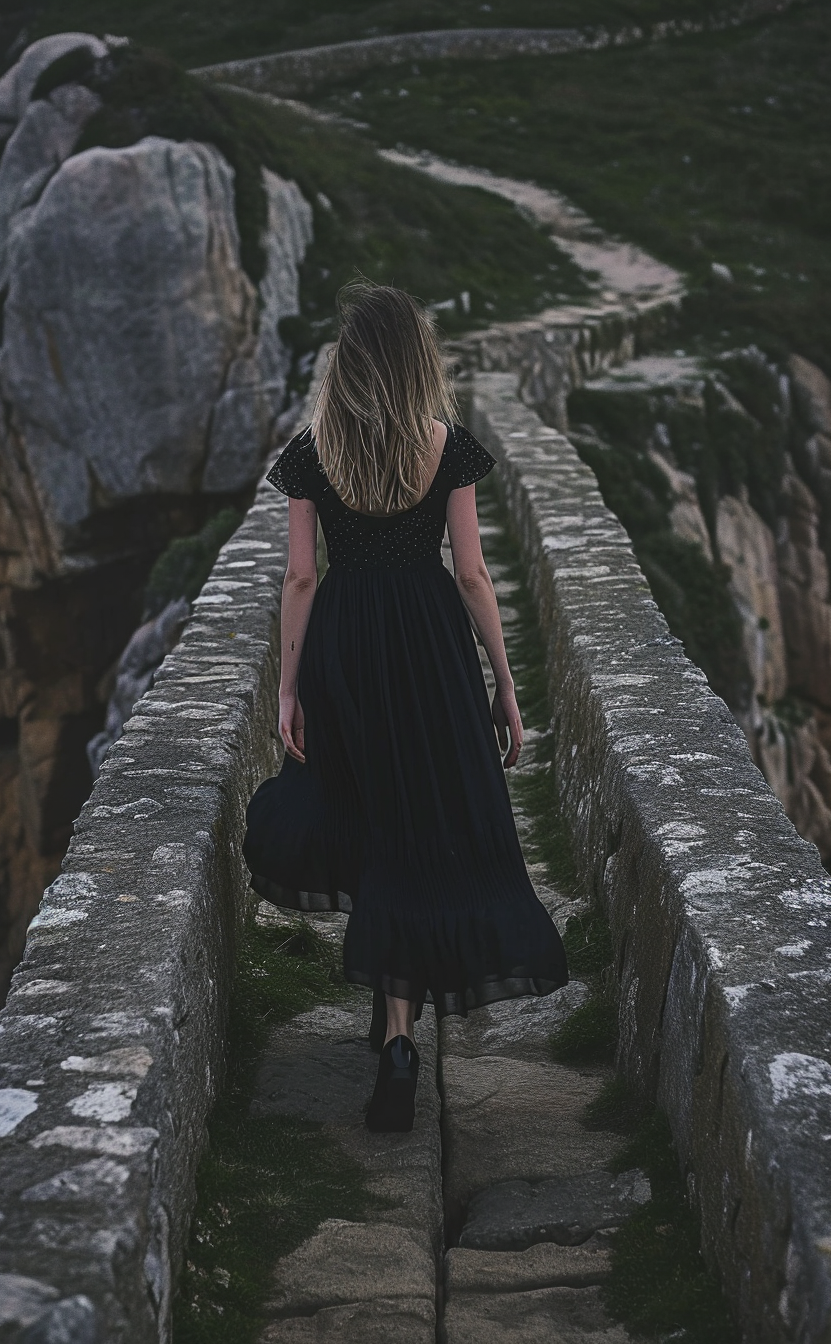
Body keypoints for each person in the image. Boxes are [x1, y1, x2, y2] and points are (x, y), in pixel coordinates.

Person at [243, 282, 568, 1133]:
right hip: (427, 642)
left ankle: (392, 1038)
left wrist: (287, 684)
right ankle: (394, 1033)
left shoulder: (315, 452)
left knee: (372, 818)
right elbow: (470, 574)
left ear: (346, 368)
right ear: (415, 362)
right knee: (423, 829)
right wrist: (501, 679)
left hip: (345, 645)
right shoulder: (445, 445)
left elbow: (301, 577)